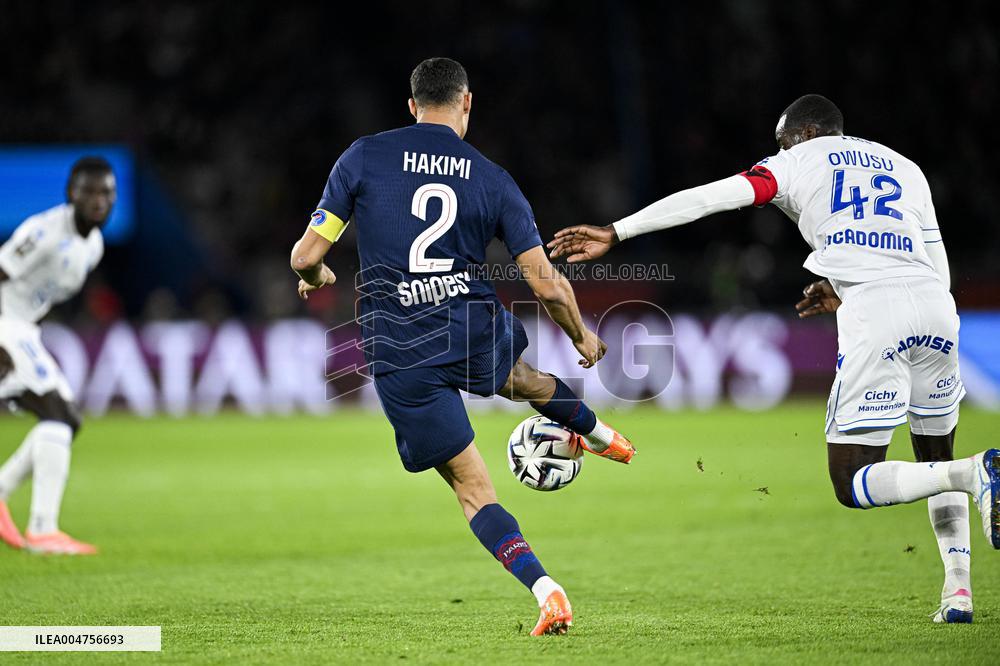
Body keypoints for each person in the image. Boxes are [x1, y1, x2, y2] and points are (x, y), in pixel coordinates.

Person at [548, 94, 999, 624]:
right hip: (937, 311)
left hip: (876, 315)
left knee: (854, 481)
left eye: (781, 141)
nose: (776, 150)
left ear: (806, 133)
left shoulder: (799, 160)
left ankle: (977, 472)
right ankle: (958, 594)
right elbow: (934, 265)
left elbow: (711, 197)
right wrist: (845, 283)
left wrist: (618, 231)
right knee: (935, 460)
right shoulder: (907, 168)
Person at [289, 57, 635, 636]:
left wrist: (319, 276)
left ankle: (547, 591)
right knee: (522, 379)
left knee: (475, 490)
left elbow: (305, 256)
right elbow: (545, 282)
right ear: (467, 103)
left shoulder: (363, 156)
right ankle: (602, 435)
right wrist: (581, 335)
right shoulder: (493, 178)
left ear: (411, 105)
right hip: (469, 323)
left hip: (398, 346)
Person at [0, 156, 115, 555]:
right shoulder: (43, 232)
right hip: (4, 326)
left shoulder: (94, 246)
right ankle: (43, 529)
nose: (99, 201)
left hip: (22, 329)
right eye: (90, 192)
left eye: (107, 193)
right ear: (71, 194)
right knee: (58, 415)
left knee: (67, 419)